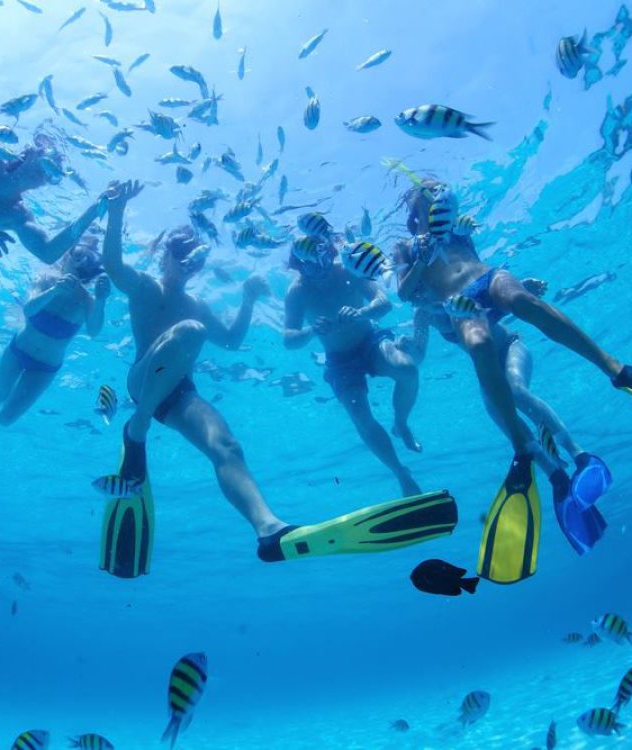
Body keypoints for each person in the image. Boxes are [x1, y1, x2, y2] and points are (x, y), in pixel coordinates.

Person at [93, 181, 459, 580]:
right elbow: (112, 266)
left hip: (179, 393)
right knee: (190, 331)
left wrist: (248, 299)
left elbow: (231, 342)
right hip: (143, 382)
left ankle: (268, 529)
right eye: (182, 256)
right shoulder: (145, 288)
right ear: (165, 255)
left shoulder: (195, 303)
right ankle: (139, 425)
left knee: (227, 445)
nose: (188, 265)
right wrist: (115, 211)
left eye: (194, 260)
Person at [393, 181, 621, 583]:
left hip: (496, 303)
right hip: (468, 325)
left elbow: (465, 221)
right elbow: (405, 294)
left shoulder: (455, 228)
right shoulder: (409, 257)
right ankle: (559, 479)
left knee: (522, 310)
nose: (426, 202)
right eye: (419, 201)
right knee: (482, 354)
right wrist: (408, 342)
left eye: (429, 198)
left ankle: (609, 387)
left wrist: (524, 286)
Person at [401, 294, 608, 557]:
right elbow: (418, 355)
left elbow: (496, 298)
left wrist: (525, 289)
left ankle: (579, 455)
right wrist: (407, 348)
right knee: (500, 416)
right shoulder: (422, 314)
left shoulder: (450, 290)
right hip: (488, 371)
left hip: (510, 346)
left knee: (516, 391)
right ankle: (557, 478)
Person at [282, 233, 422, 498]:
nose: (319, 271)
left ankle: (401, 423)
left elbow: (384, 303)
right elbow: (289, 339)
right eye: (310, 265)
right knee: (360, 417)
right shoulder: (297, 292)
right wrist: (312, 330)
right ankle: (401, 473)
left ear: (330, 255)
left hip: (370, 340)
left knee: (407, 369)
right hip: (338, 359)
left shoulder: (349, 270)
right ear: (298, 265)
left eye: (323, 261)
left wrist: (362, 313)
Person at [0, 234, 109, 445]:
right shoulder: (46, 279)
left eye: (86, 262)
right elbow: (28, 309)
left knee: (6, 418)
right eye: (76, 255)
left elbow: (93, 332)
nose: (78, 264)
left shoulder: (87, 301)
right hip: (18, 350)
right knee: (0, 393)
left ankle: (7, 403)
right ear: (66, 257)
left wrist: (101, 300)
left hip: (45, 367)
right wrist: (54, 291)